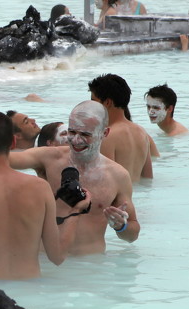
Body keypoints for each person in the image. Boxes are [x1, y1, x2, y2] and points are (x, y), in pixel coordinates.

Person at [0, 112, 85, 279]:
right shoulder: (40, 188)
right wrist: (76, 211)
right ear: (14, 142)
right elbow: (57, 256)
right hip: (28, 288)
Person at [9, 101, 139, 255]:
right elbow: (3, 159)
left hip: (90, 267)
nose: (76, 140)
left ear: (104, 133)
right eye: (72, 132)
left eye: (85, 134)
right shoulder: (50, 158)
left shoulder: (118, 175)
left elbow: (132, 235)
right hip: (47, 263)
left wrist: (121, 226)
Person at [89, 74, 155, 182]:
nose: (90, 105)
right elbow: (148, 178)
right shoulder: (141, 132)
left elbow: (107, 181)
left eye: (93, 100)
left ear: (107, 102)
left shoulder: (108, 136)